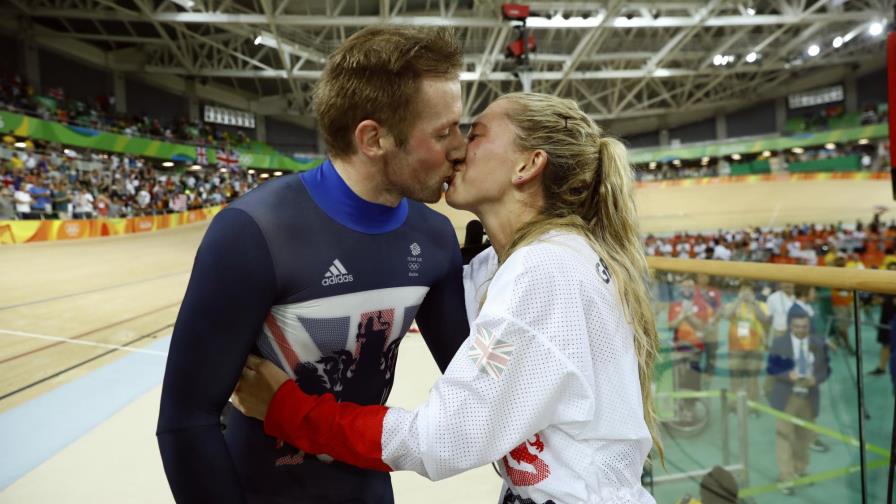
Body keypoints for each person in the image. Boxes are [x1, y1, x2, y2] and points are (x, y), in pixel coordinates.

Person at [232, 92, 662, 503]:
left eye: (475, 135)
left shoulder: (545, 270)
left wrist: (285, 408)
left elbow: (441, 440)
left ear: (527, 165)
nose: (457, 150)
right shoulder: (530, 259)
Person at [156, 26, 470, 504]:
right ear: (373, 138)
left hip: (367, 485)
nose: (460, 146)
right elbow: (186, 420)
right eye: (444, 132)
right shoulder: (253, 232)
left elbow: (476, 387)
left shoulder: (436, 237)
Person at [766, 306, 830, 495]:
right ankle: (786, 477)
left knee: (803, 437)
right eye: (797, 326)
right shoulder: (779, 343)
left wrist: (816, 379)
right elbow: (772, 368)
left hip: (808, 397)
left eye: (805, 326)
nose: (801, 330)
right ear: (790, 326)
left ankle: (800, 470)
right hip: (787, 396)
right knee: (785, 437)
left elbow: (825, 370)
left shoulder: (818, 343)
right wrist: (788, 375)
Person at [721, 281, 768, 407]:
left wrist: (753, 302)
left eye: (749, 290)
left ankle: (753, 405)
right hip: (736, 348)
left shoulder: (760, 305)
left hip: (755, 347)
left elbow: (764, 318)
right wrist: (738, 301)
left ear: (753, 293)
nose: (746, 293)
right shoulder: (732, 304)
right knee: (735, 377)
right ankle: (734, 403)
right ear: (739, 292)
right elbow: (726, 315)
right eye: (743, 290)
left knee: (753, 379)